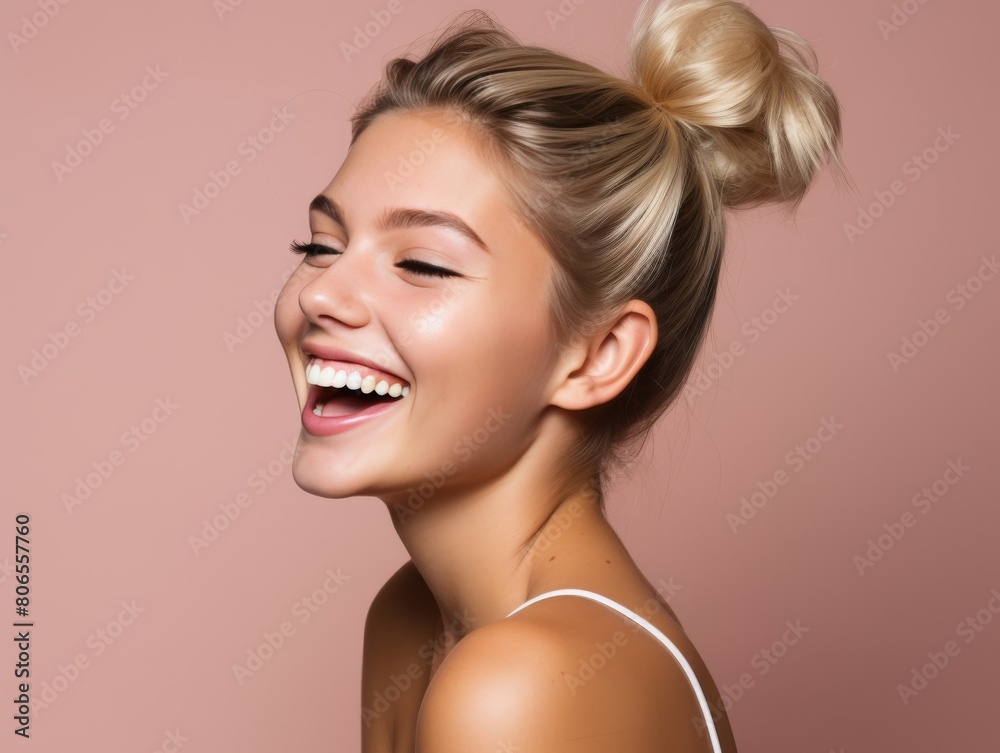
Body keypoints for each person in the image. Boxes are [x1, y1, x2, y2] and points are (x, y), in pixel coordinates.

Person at [274, 0, 844, 749]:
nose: (319, 294)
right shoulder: (411, 618)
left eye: (421, 263)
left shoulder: (524, 684)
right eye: (319, 246)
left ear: (598, 354)